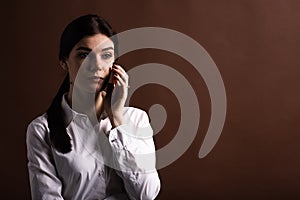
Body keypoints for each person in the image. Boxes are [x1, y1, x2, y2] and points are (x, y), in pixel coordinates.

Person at [26, 14, 161, 200]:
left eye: (106, 55)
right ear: (64, 62)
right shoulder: (41, 130)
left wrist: (117, 120)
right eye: (83, 55)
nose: (97, 65)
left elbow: (146, 194)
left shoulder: (136, 120)